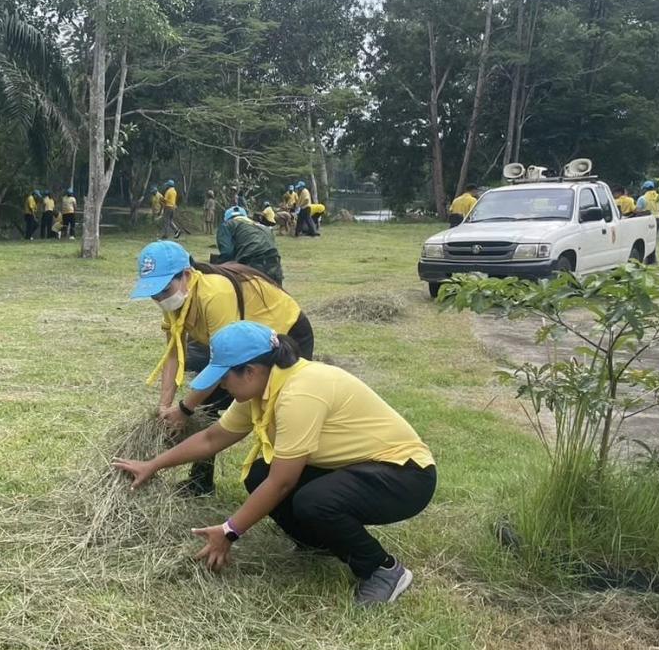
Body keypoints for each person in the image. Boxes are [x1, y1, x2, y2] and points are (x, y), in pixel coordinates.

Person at [113, 321, 435, 605]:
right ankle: (320, 543)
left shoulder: (300, 392)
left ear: (250, 371)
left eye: (224, 378)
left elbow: (283, 482)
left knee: (312, 500)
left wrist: (229, 531)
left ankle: (382, 569)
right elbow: (213, 439)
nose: (221, 386)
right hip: (358, 466)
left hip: (405, 475)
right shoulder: (262, 388)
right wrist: (153, 464)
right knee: (258, 475)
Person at [131, 240, 314, 497]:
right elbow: (173, 354)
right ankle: (201, 482)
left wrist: (184, 409)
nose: (159, 298)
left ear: (185, 275)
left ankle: (288, 482)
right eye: (154, 293)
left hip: (284, 334)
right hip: (238, 347)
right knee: (207, 405)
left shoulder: (215, 294)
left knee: (276, 406)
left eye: (164, 289)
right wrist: (165, 407)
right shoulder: (174, 303)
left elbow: (226, 360)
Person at [214, 206, 284, 285]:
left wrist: (216, 269)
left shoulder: (227, 225)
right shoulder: (263, 228)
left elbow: (227, 254)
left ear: (227, 218)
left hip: (252, 266)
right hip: (275, 266)